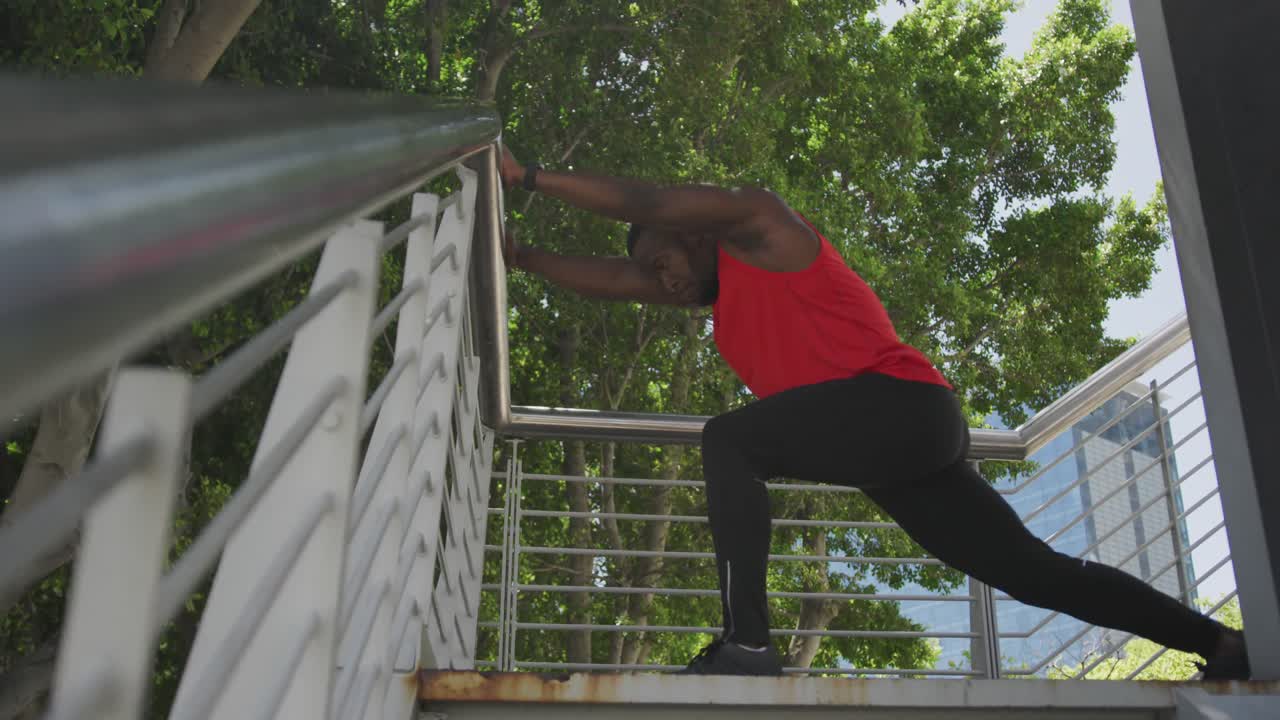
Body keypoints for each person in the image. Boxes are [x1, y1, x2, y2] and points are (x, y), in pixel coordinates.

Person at [496, 145, 1250, 679]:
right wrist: (524, 259)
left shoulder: (763, 227)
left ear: (696, 233)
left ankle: (749, 645)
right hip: (899, 450)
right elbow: (609, 276)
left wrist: (528, 177)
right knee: (1031, 573)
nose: (659, 281)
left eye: (664, 261)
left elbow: (650, 200)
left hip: (905, 411)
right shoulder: (720, 306)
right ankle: (1218, 644)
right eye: (652, 275)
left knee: (730, 442)